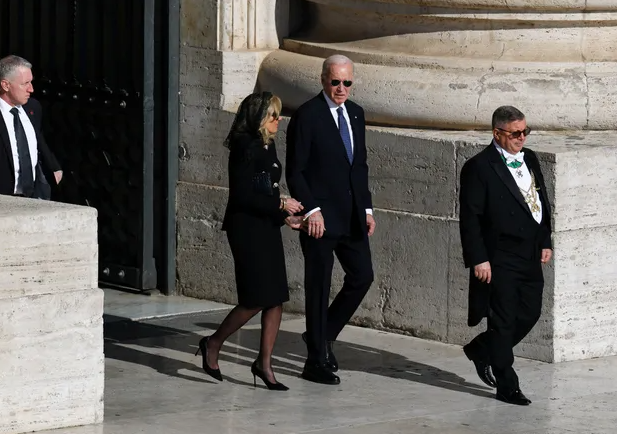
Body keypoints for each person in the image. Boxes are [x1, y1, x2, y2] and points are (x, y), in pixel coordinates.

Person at [195, 91, 304, 391]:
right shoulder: (244, 145)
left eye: (278, 114)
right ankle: (213, 343)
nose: (278, 120)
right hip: (246, 229)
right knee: (255, 299)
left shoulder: (268, 144)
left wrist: (284, 215)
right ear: (258, 117)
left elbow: (267, 189)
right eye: (273, 115)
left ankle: (264, 364)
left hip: (266, 225)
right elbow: (243, 196)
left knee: (276, 298)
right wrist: (281, 205)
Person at [286, 54, 376, 385]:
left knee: (362, 276)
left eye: (346, 82)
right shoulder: (307, 115)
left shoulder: (356, 113)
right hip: (319, 220)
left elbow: (359, 166)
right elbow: (295, 170)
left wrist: (367, 209)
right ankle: (315, 361)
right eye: (335, 82)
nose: (341, 88)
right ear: (323, 79)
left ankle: (322, 334)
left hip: (351, 216)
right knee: (319, 287)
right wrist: (311, 210)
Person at [459, 106, 553, 405]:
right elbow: (470, 218)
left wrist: (545, 239)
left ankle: (482, 348)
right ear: (497, 133)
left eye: (525, 132)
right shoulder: (479, 167)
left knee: (530, 312)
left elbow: (541, 201)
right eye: (515, 134)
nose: (521, 138)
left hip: (530, 252)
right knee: (502, 320)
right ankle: (507, 384)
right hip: (500, 255)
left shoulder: (530, 158)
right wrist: (478, 258)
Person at [0, 55, 62, 199]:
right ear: (5, 85)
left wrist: (54, 167)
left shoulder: (32, 107)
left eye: (31, 82)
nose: (31, 89)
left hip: (34, 195)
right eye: (25, 83)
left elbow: (38, 140)